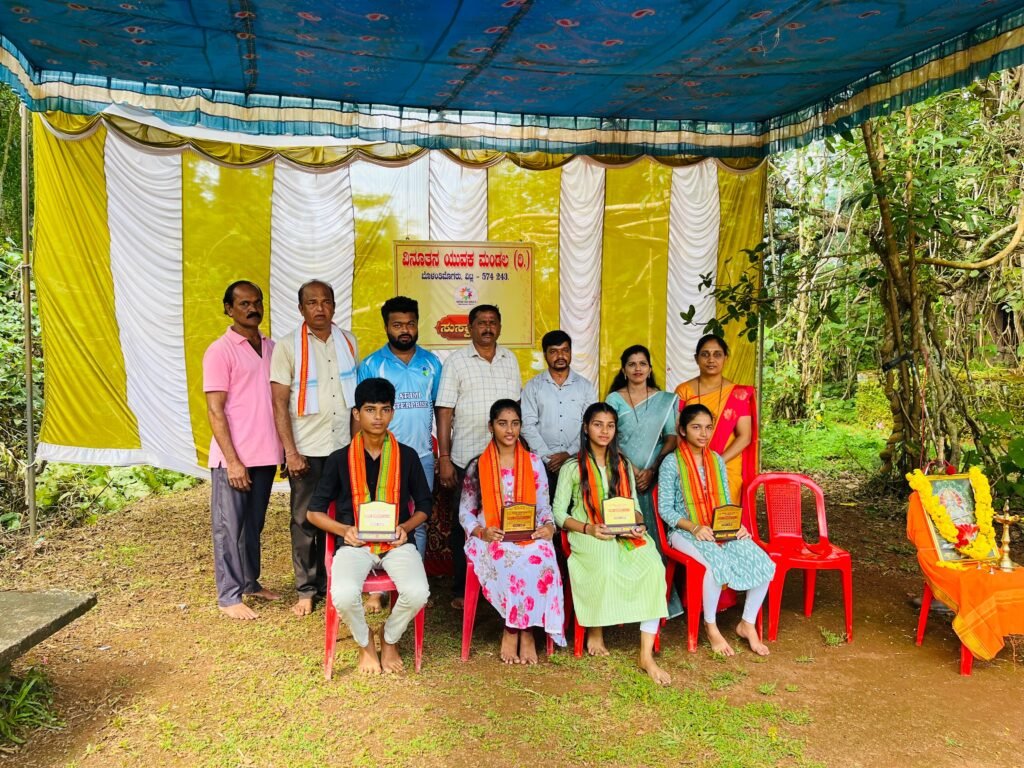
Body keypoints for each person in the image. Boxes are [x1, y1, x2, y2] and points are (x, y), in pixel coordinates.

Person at [306, 378, 432, 675]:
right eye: (370, 409)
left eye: (385, 409)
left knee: (418, 592)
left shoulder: (407, 456)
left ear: (393, 413)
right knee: (343, 594)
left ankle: (390, 637)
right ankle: (365, 643)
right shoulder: (339, 459)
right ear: (356, 413)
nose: (378, 417)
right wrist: (343, 531)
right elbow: (313, 512)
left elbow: (425, 506)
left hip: (397, 543)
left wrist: (405, 527)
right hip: (355, 544)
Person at [553, 402, 671, 685]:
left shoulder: (623, 464)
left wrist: (637, 525)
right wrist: (589, 529)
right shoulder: (573, 467)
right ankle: (596, 629)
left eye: (610, 425)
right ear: (586, 428)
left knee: (654, 567)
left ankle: (646, 654)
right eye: (598, 424)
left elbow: (634, 507)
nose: (604, 431)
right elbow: (558, 513)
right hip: (589, 532)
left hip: (624, 532)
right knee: (605, 565)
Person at [271, 279, 360, 618]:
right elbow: (279, 403)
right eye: (312, 302)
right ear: (301, 308)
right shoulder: (287, 346)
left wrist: (356, 448)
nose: (320, 308)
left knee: (345, 516)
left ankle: (340, 582)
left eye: (326, 302)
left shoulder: (348, 341)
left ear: (334, 306)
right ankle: (307, 589)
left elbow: (355, 402)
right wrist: (291, 452)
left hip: (343, 447)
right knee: (305, 519)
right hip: (307, 448)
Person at [658, 403, 775, 657]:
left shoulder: (716, 460)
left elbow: (725, 501)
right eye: (696, 427)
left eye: (708, 427)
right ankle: (710, 627)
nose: (703, 433)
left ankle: (747, 623)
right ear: (682, 430)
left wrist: (735, 524)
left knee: (763, 562)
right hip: (683, 531)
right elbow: (665, 509)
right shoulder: (671, 463)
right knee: (714, 566)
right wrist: (695, 527)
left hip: (717, 527)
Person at [459, 399, 565, 664]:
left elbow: (543, 505)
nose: (509, 430)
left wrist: (548, 526)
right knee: (510, 559)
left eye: (515, 424)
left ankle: (525, 631)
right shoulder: (478, 465)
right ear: (491, 426)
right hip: (491, 534)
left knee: (543, 557)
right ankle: (512, 629)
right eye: (502, 423)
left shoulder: (533, 463)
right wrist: (481, 532)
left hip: (528, 532)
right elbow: (465, 511)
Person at [203, 280, 283, 620]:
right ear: (229, 309)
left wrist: (284, 450)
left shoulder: (272, 347)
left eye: (257, 302)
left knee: (253, 525)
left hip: (266, 454)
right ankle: (229, 596)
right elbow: (215, 410)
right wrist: (233, 461)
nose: (253, 309)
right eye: (244, 303)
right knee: (229, 528)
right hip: (234, 459)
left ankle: (250, 582)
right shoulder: (220, 350)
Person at [436, 304, 522, 608]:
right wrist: (444, 457)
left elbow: (515, 410)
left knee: (505, 522)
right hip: (465, 459)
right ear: (470, 328)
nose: (487, 327)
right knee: (467, 525)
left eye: (493, 322)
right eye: (481, 323)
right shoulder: (456, 362)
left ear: (499, 327)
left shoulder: (510, 359)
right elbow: (444, 411)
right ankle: (464, 588)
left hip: (505, 461)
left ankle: (501, 583)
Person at [357, 296, 442, 559]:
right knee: (378, 517)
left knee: (419, 518)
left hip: (422, 456)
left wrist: (442, 454)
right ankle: (379, 572)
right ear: (386, 327)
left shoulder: (432, 363)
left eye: (410, 324)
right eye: (397, 325)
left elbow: (440, 409)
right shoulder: (371, 365)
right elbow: (360, 413)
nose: (405, 330)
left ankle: (415, 571)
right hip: (380, 455)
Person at [674, 334, 757, 513]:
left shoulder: (738, 394)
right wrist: (693, 464)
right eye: (705, 354)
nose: (711, 359)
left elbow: (745, 436)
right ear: (696, 358)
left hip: (726, 465)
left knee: (724, 519)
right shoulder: (684, 391)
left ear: (726, 357)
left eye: (717, 354)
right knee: (694, 515)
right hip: (692, 465)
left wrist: (715, 463)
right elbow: (678, 431)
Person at [521, 330, 597, 500]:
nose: (560, 356)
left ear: (571, 352)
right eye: (554, 351)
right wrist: (548, 458)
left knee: (577, 507)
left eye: (565, 350)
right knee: (543, 508)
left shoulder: (585, 387)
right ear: (545, 355)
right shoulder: (533, 386)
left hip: (577, 462)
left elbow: (590, 425)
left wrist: (568, 454)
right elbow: (526, 425)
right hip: (542, 465)